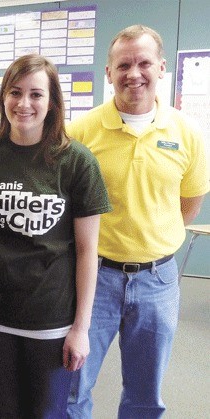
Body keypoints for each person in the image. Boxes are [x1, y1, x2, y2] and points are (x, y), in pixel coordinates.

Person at [66, 25, 209, 418]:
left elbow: (189, 204)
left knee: (146, 395)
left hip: (158, 282)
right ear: (108, 72)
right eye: (123, 64)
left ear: (161, 68)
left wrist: (152, 238)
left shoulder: (187, 133)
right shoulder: (79, 133)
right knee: (73, 388)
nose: (134, 73)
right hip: (94, 278)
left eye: (144, 63)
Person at [0, 54, 111, 418]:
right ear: (3, 98)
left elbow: (89, 250)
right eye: (15, 92)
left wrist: (81, 328)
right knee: (6, 411)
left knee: (46, 413)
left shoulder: (76, 161)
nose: (24, 103)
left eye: (36, 94)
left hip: (51, 320)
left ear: (52, 102)